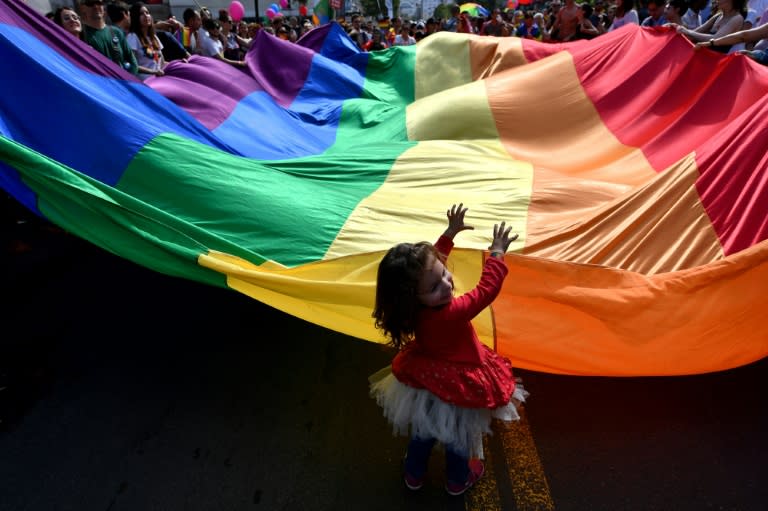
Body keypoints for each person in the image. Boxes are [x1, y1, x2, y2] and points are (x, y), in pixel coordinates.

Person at [369, 204, 529, 496]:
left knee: (424, 430)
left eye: (444, 274)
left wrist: (449, 235)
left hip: (426, 380)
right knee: (457, 435)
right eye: (435, 287)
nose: (446, 284)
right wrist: (497, 253)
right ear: (414, 295)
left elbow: (427, 268)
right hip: (456, 385)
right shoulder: (450, 312)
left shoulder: (412, 308)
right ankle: (458, 479)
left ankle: (413, 473)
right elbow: (485, 291)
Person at [79, 0, 138, 75]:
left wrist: (129, 79)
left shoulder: (116, 32)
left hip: (121, 82)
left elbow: (133, 61)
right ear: (83, 8)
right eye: (90, 3)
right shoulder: (81, 35)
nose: (96, 6)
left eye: (99, 3)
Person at [673, 0, 745, 52]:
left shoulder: (737, 18)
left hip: (718, 64)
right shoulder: (718, 15)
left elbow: (715, 39)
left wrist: (687, 32)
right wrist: (675, 27)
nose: (716, 1)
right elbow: (694, 33)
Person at [694, 14, 768, 61]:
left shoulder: (738, 18)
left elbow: (744, 36)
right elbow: (744, 36)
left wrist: (711, 42)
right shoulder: (718, 16)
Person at [127, 2, 165, 80]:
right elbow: (132, 65)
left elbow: (162, 63)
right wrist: (153, 72)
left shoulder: (154, 37)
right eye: (141, 14)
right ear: (135, 17)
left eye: (147, 13)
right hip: (145, 83)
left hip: (159, 81)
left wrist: (178, 63)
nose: (146, 16)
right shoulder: (132, 37)